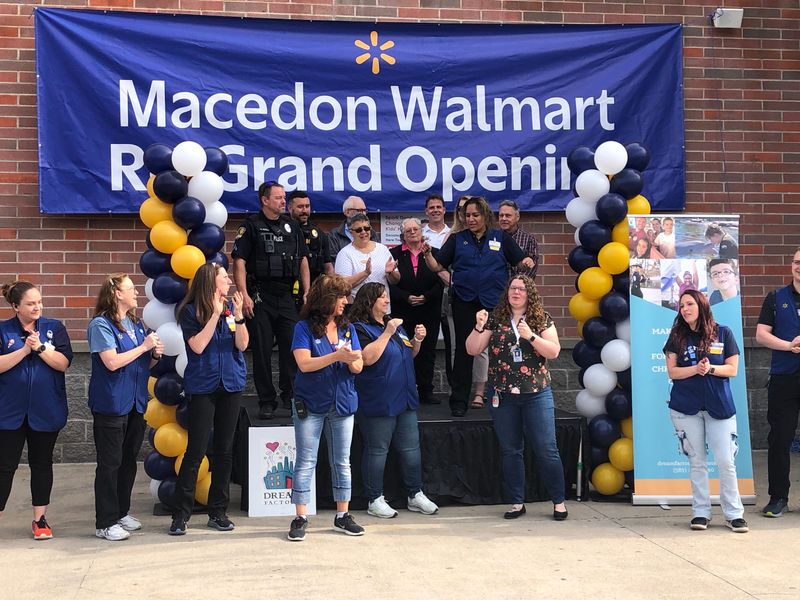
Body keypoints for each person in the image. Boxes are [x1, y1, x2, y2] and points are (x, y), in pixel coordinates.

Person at [465, 275, 567, 521]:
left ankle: (559, 502)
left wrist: (531, 336)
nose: (516, 292)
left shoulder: (541, 318)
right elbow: (472, 349)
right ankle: (516, 502)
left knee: (546, 448)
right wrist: (479, 326)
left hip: (536, 394)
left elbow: (554, 351)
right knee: (511, 450)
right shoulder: (495, 318)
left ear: (529, 293)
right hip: (503, 396)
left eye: (521, 289)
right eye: (513, 288)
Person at [423, 196, 534, 417]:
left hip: (494, 302)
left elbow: (520, 261)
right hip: (465, 301)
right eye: (467, 215)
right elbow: (437, 265)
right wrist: (427, 254)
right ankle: (459, 400)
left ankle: (506, 398)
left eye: (475, 215)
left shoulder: (500, 237)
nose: (471, 219)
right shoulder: (457, 239)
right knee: (465, 351)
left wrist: (527, 262)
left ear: (485, 215)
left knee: (501, 349)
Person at [169, 263, 249, 536]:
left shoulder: (230, 309)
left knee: (225, 450)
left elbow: (242, 345)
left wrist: (238, 317)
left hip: (231, 384)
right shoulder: (190, 312)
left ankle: (218, 511)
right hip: (203, 385)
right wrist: (215, 315)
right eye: (224, 278)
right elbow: (199, 346)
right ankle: (181, 515)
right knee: (196, 449)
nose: (229, 281)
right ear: (211, 282)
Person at [350, 283, 439, 519]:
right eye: (381, 297)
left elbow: (408, 353)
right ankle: (374, 498)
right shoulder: (359, 328)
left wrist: (417, 340)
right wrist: (387, 332)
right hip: (379, 399)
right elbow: (367, 358)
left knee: (411, 449)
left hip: (405, 397)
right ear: (369, 302)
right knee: (377, 450)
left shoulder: (394, 326)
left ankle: (415, 494)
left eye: (386, 296)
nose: (387, 300)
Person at [287, 275, 365, 542]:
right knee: (306, 461)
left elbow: (358, 365)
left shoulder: (348, 328)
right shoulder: (304, 328)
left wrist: (352, 360)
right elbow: (304, 364)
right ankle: (300, 517)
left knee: (342, 461)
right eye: (341, 296)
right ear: (327, 299)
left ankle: (342, 515)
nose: (346, 301)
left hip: (342, 402)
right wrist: (336, 355)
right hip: (311, 403)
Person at [664, 290, 747, 533]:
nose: (685, 309)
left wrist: (710, 369)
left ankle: (734, 514)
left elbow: (732, 369)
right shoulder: (676, 336)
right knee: (697, 462)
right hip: (686, 408)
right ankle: (701, 513)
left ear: (701, 305)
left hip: (719, 407)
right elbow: (673, 372)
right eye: (681, 305)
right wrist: (695, 370)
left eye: (690, 304)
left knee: (725, 461)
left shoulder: (724, 332)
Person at [88, 273, 164, 541]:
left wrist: (153, 354)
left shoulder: (134, 322)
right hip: (111, 404)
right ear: (117, 294)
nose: (136, 293)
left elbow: (142, 363)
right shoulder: (101, 325)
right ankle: (105, 522)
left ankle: (121, 512)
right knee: (109, 464)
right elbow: (111, 362)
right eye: (131, 289)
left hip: (135, 402)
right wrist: (144, 347)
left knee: (128, 461)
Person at [0, 281, 72, 540]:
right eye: (31, 303)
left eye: (39, 302)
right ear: (15, 306)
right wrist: (23, 350)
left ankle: (40, 519)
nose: (37, 307)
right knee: (4, 466)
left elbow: (63, 363)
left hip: (45, 409)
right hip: (8, 412)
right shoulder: (3, 330)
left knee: (41, 464)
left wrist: (40, 347)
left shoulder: (54, 328)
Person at [232, 181, 310, 420]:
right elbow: (239, 262)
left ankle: (291, 395)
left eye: (283, 197)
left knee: (292, 347)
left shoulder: (292, 227)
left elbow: (303, 260)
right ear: (264, 200)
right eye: (277, 197)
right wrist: (244, 294)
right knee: (263, 351)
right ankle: (267, 400)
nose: (282, 201)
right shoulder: (251, 226)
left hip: (287, 296)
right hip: (260, 296)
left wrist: (307, 291)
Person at [755, 248, 800, 518]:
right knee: (780, 440)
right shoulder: (775, 298)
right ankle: (778, 498)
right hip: (784, 379)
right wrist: (789, 346)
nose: (799, 267)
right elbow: (761, 334)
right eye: (796, 262)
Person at [389, 218, 443, 404]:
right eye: (408, 230)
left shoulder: (434, 253)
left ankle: (426, 391)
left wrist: (426, 296)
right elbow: (388, 284)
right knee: (403, 350)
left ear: (422, 232)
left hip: (429, 309)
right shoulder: (393, 254)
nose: (412, 232)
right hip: (403, 311)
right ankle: (405, 390)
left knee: (427, 351)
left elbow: (440, 282)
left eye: (415, 229)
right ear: (403, 234)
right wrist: (405, 296)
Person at [334, 213, 399, 302]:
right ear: (351, 232)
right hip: (358, 310)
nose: (363, 232)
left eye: (367, 228)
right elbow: (341, 285)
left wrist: (390, 273)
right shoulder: (345, 254)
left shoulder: (382, 249)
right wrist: (365, 273)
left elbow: (396, 280)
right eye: (358, 230)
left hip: (383, 308)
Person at [288, 190, 334, 285]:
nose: (304, 211)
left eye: (307, 206)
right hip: (288, 286)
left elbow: (328, 266)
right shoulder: (284, 231)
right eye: (300, 207)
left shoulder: (319, 234)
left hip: (315, 286)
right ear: (290, 208)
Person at [498, 200, 540, 279]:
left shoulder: (528, 239)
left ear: (517, 217)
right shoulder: (493, 238)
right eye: (501, 215)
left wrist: (514, 286)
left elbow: (531, 269)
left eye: (508, 215)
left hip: (518, 288)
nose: (503, 218)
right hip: (496, 288)